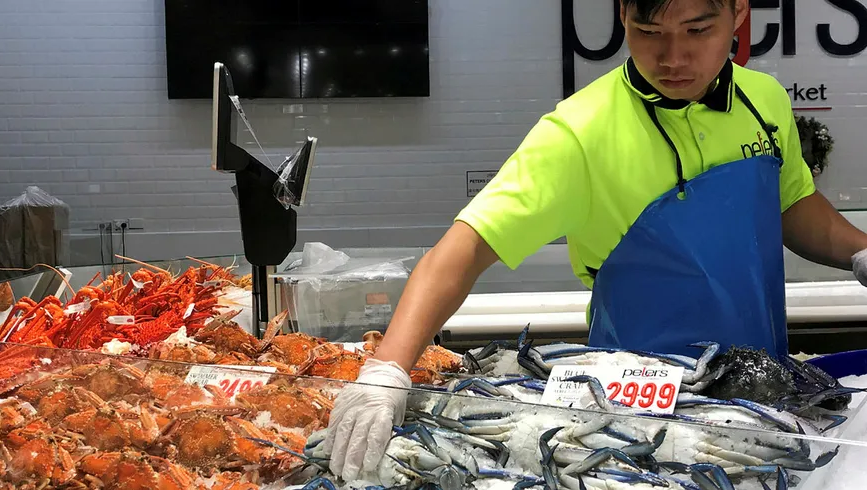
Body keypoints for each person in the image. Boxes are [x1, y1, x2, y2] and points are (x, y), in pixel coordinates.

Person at [319, 0, 867, 482]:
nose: (673, 58)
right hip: (635, 408)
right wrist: (387, 369)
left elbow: (793, 205)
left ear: (737, 13)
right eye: (650, 32)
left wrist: (860, 251)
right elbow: (461, 250)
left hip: (762, 381)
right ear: (622, 14)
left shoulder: (764, 100)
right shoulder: (578, 131)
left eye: (697, 31)